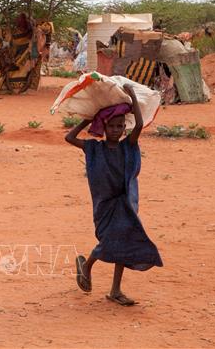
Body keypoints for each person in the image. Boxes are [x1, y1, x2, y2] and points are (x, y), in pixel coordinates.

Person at [65, 83, 162, 306]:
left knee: (124, 242)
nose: (116, 130)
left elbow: (138, 124)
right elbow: (69, 138)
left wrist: (132, 99)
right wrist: (89, 119)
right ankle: (87, 266)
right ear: (105, 127)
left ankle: (115, 290)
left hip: (126, 203)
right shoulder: (94, 148)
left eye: (120, 126)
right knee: (110, 240)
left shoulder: (127, 146)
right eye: (112, 126)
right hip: (106, 205)